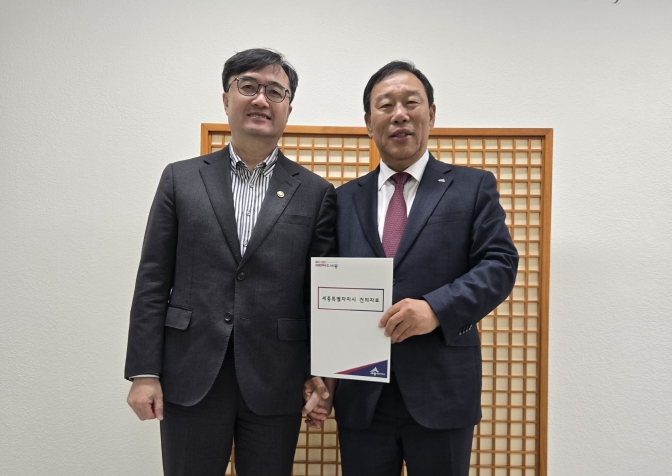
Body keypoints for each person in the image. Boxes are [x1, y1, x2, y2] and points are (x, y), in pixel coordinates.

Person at [125, 48, 337, 476]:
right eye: (249, 86)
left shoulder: (316, 193)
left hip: (277, 377)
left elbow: (320, 294)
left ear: (288, 108)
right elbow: (153, 279)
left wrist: (323, 373)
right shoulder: (180, 179)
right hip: (191, 373)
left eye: (275, 91)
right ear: (226, 99)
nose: (261, 99)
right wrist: (144, 372)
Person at [303, 61, 518, 476]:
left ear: (431, 114)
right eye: (385, 105)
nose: (399, 114)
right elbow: (323, 288)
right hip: (361, 394)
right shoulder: (342, 199)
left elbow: (499, 263)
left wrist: (436, 308)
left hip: (442, 390)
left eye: (411, 103)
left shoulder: (472, 187)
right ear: (369, 122)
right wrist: (323, 373)